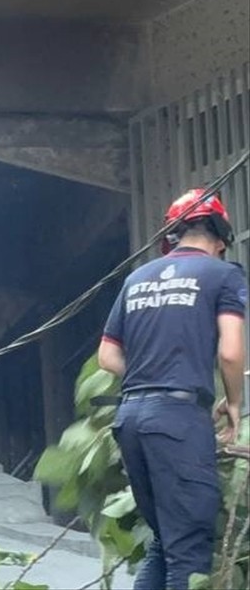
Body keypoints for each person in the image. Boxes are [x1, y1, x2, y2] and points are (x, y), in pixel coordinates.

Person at [98, 188, 246, 590]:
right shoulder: (224, 274)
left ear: (174, 235)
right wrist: (234, 401)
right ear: (219, 238)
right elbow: (231, 353)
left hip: (130, 419)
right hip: (178, 421)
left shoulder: (136, 278)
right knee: (189, 550)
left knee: (165, 543)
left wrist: (151, 371)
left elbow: (108, 357)